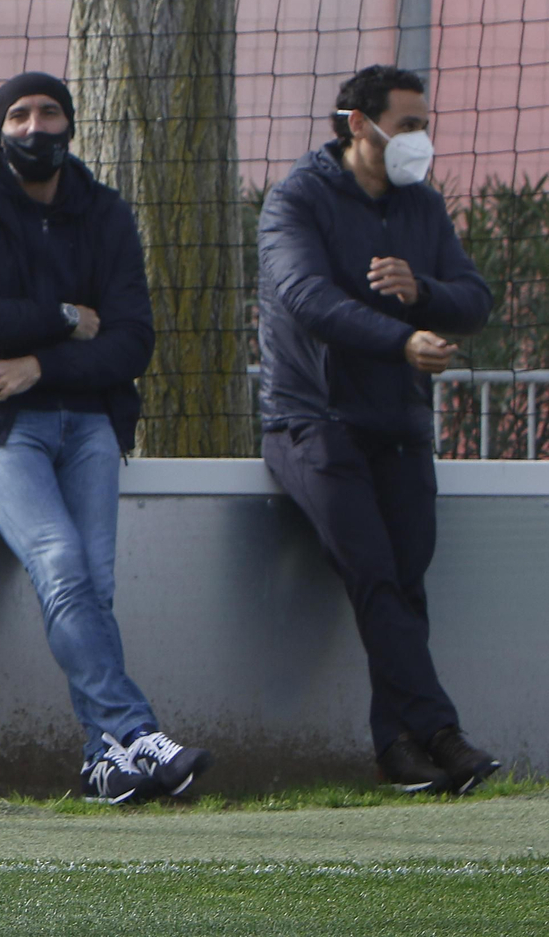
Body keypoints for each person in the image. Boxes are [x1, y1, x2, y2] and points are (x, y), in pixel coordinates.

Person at [0, 71, 212, 805]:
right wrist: (60, 317)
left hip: (89, 419)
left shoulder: (104, 212)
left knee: (94, 583)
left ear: (71, 125)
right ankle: (134, 729)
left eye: (50, 112)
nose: (35, 126)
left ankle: (103, 762)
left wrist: (38, 362)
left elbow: (133, 341)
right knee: (61, 561)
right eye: (18, 113)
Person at [258, 64, 498, 794]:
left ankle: (397, 749)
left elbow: (473, 297)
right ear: (359, 124)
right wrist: (402, 340)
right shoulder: (295, 202)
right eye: (410, 124)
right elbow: (307, 299)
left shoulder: (422, 206)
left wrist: (421, 293)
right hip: (313, 422)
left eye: (425, 125)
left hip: (398, 420)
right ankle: (442, 733)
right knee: (375, 577)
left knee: (404, 582)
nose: (421, 139)